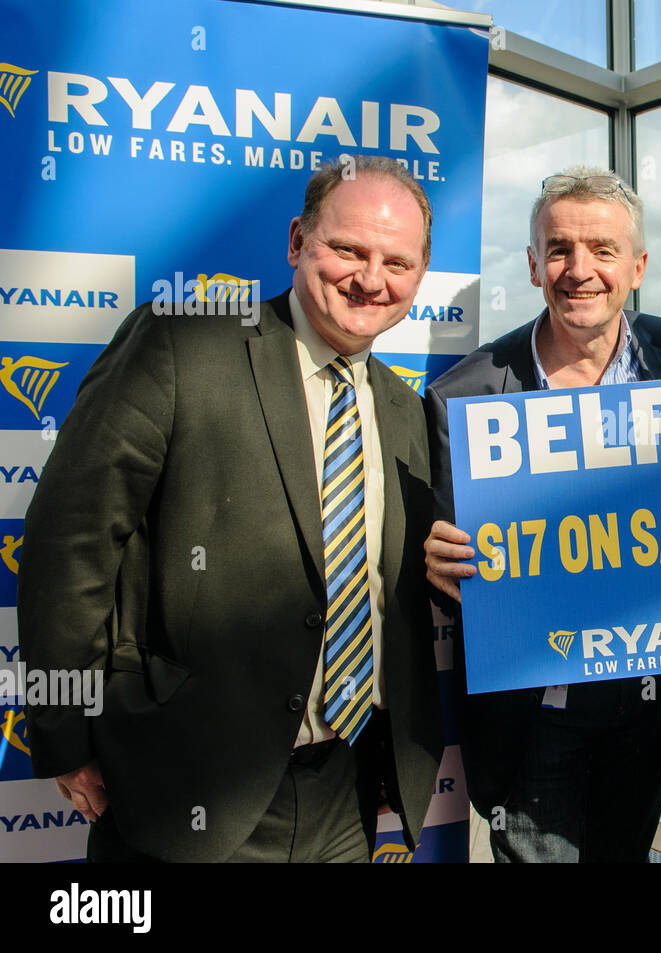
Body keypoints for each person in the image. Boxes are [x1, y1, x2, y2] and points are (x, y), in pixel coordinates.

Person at [17, 156, 444, 862]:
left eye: (397, 262)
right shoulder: (183, 341)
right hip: (186, 782)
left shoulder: (405, 410)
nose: (372, 279)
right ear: (296, 241)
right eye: (348, 249)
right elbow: (72, 535)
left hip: (344, 793)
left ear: (419, 276)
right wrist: (62, 732)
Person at [424, 166, 661, 862]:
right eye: (558, 249)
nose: (580, 270)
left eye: (603, 250)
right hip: (532, 718)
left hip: (647, 705)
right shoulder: (463, 394)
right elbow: (447, 570)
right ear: (530, 265)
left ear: (636, 266)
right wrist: (433, 563)